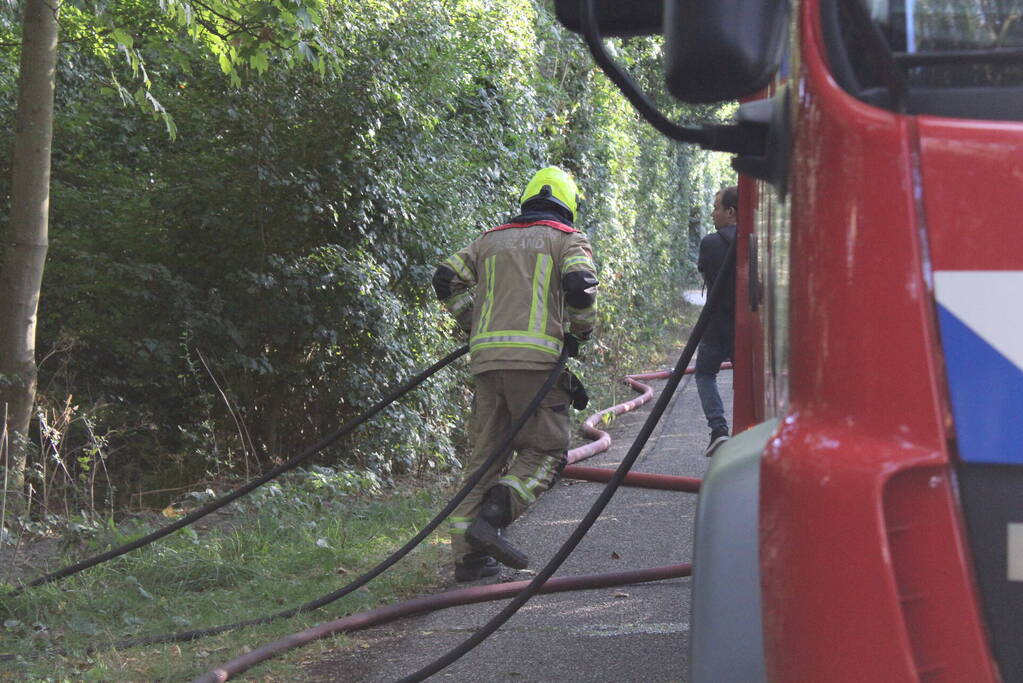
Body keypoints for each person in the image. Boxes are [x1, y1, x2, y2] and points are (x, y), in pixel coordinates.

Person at [432, 167, 598, 582]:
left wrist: (471, 322)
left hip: (487, 361)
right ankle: (490, 519)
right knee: (547, 450)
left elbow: (444, 277)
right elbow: (580, 285)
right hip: (537, 364)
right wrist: (581, 330)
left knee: (484, 457)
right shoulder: (566, 239)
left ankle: (469, 560)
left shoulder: (489, 240)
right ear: (567, 205)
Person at [696, 186, 738, 457]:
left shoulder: (711, 243)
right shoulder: (756, 240)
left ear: (731, 212)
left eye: (717, 207)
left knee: (704, 374)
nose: (713, 213)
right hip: (745, 331)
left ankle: (719, 429)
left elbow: (705, 270)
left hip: (714, 329)